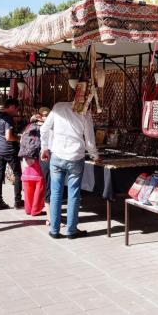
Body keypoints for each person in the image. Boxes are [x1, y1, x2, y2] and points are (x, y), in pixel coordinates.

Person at [40, 102, 98, 239]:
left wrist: (45, 148)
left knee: (55, 194)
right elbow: (89, 139)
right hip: (75, 157)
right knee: (73, 194)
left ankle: (54, 230)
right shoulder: (85, 111)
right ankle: (71, 230)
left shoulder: (58, 107)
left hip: (57, 155)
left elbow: (44, 129)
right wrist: (94, 155)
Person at [0, 98, 24, 210]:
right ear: (11, 107)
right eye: (16, 109)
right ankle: (18, 201)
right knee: (18, 174)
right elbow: (8, 137)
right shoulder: (8, 119)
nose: (17, 112)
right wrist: (19, 138)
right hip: (9, 150)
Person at [19, 115, 45, 216]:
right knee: (39, 186)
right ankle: (36, 210)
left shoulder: (26, 129)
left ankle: (28, 209)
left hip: (26, 161)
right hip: (37, 160)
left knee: (28, 186)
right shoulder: (41, 130)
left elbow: (21, 144)